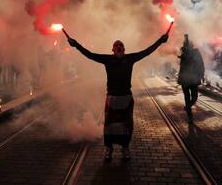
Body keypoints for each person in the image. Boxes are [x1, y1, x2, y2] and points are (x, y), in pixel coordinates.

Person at [67, 33, 169, 161]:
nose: (119, 47)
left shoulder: (130, 58)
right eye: (116, 45)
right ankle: (108, 149)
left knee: (127, 125)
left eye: (121, 45)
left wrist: (160, 40)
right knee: (109, 126)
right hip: (112, 98)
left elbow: (147, 51)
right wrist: (75, 44)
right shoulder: (107, 59)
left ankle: (125, 148)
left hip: (126, 97)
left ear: (124, 49)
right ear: (113, 50)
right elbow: (90, 54)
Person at [177, 34, 204, 123]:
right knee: (187, 98)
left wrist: (201, 74)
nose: (187, 46)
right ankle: (189, 116)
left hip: (194, 78)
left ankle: (188, 107)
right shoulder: (183, 52)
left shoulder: (196, 52)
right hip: (185, 78)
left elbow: (201, 64)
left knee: (194, 97)